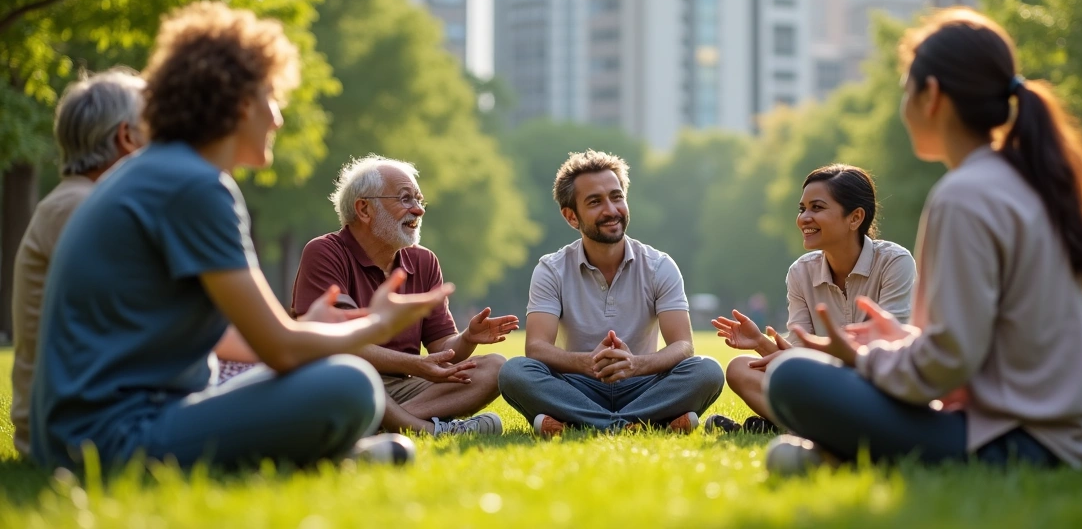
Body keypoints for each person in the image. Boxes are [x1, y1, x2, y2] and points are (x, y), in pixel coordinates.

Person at [28, 1, 449, 470]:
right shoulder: (193, 185)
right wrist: (376, 324)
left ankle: (336, 457)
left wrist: (313, 326)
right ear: (239, 101)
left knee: (330, 375)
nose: (277, 118)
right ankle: (333, 457)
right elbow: (281, 349)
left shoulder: (159, 172)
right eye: (271, 97)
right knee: (351, 384)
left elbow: (268, 340)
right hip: (109, 441)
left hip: (80, 433)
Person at [762, 8, 1082, 472]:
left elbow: (945, 365)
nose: (903, 104)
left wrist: (863, 357)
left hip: (1024, 444)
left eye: (906, 88)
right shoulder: (1029, 180)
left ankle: (841, 457)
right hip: (1072, 437)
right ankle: (842, 457)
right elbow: (980, 344)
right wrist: (903, 339)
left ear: (931, 96)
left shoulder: (965, 195)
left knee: (793, 377)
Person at [497, 150, 724, 435]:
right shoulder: (551, 269)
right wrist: (587, 363)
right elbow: (537, 348)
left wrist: (636, 365)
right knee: (514, 372)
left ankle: (584, 423)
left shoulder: (659, 266)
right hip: (578, 386)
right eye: (595, 202)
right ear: (571, 217)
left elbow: (683, 346)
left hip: (644, 384)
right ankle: (640, 424)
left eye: (616, 197)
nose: (611, 210)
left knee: (707, 371)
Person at [292, 155, 513, 437]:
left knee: (495, 367)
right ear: (364, 209)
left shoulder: (424, 261)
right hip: (343, 378)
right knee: (354, 372)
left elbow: (441, 350)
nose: (418, 210)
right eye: (406, 199)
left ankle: (373, 423)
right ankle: (423, 429)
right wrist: (415, 365)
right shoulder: (324, 252)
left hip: (403, 388)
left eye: (419, 200)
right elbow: (338, 345)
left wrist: (468, 338)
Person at [706, 164, 915, 434]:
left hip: (876, 385)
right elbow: (793, 359)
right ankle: (825, 430)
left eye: (817, 208)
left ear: (855, 218)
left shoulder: (894, 263)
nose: (804, 217)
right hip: (827, 387)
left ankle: (797, 427)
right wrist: (760, 342)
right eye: (802, 208)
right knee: (739, 368)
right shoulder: (800, 272)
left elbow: (891, 350)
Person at [9, 68, 148, 456]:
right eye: (155, 123)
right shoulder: (81, 207)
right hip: (72, 432)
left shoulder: (76, 201)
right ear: (127, 138)